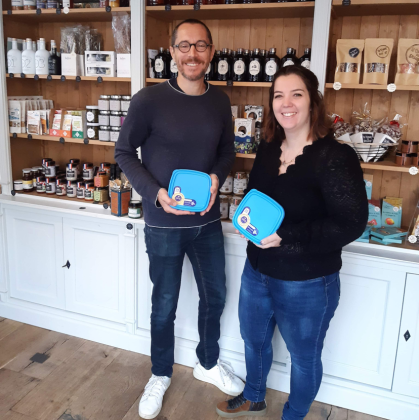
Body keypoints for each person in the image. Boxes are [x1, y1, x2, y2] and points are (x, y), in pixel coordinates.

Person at [216, 65, 368, 419]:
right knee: (253, 342)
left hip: (308, 281)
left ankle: (294, 414)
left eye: (296, 94)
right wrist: (245, 218)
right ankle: (254, 395)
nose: (286, 103)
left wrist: (287, 235)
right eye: (278, 95)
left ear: (313, 102)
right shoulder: (268, 147)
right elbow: (256, 195)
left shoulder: (335, 157)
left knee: (303, 357)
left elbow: (350, 224)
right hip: (257, 270)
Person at [115, 18, 244, 420]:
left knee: (216, 297)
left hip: (207, 224)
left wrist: (216, 176)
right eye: (184, 46)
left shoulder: (220, 100)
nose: (193, 53)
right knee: (164, 305)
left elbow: (227, 151)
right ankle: (159, 373)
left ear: (211, 52)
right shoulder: (148, 100)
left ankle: (207, 362)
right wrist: (154, 194)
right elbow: (123, 153)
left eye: (201, 46)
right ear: (171, 52)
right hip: (163, 225)